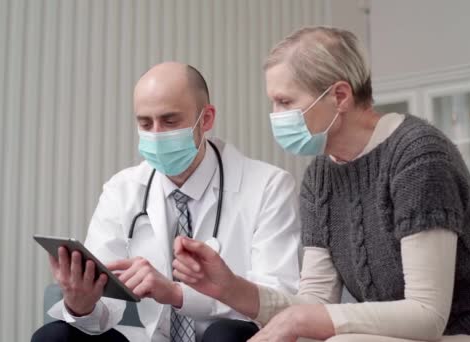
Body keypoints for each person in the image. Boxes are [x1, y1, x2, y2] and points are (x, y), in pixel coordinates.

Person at [170, 26, 470, 342]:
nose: (276, 116)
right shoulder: (321, 177)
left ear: (339, 95)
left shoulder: (417, 156)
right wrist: (229, 287)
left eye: (285, 102)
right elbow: (315, 301)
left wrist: (304, 322)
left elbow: (426, 315)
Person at [31, 62, 301, 342]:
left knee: (224, 336)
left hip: (227, 336)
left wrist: (178, 294)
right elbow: (105, 311)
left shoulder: (268, 186)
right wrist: (82, 305)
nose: (156, 134)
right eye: (145, 123)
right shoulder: (121, 190)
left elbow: (277, 303)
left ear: (206, 119)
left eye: (170, 121)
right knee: (54, 336)